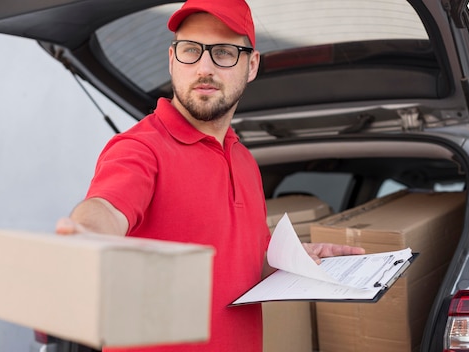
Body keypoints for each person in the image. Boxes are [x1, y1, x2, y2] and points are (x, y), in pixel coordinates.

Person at [56, 0, 365, 351]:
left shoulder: (245, 160)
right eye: (191, 50)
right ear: (173, 60)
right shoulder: (141, 148)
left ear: (252, 65)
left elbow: (247, 263)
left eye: (223, 52)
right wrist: (85, 234)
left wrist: (294, 260)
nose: (204, 68)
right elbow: (107, 208)